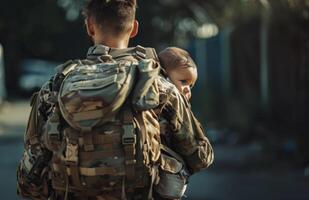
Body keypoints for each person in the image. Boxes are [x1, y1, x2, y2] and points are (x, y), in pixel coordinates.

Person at [16, 0, 214, 200]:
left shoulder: (55, 86)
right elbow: (201, 157)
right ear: (134, 28)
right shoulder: (158, 85)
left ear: (89, 26)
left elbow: (29, 179)